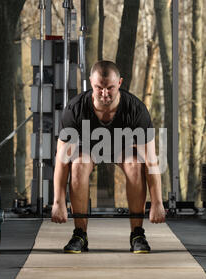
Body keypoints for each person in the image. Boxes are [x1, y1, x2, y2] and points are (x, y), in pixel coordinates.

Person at [51, 60, 166, 254]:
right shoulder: (74, 110)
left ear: (120, 83)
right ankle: (80, 233)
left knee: (136, 165)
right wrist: (58, 202)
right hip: (89, 149)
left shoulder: (136, 111)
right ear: (90, 83)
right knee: (77, 165)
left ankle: (137, 233)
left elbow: (151, 162)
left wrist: (157, 203)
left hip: (123, 148)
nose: (105, 94)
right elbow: (62, 161)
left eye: (110, 88)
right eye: (99, 88)